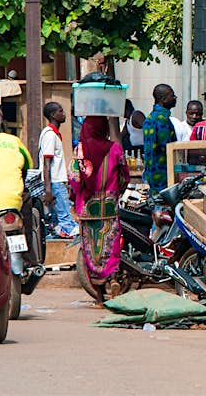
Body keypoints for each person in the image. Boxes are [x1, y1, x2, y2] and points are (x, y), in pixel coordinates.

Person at [73, 116, 130, 302]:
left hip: (88, 208)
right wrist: (116, 192)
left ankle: (99, 296)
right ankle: (112, 278)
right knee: (110, 246)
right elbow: (125, 176)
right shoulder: (115, 148)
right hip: (109, 207)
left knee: (91, 249)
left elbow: (74, 179)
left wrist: (77, 197)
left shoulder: (80, 150)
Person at [40, 101, 79, 239]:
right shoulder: (50, 135)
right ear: (53, 115)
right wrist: (48, 188)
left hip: (56, 182)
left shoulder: (53, 134)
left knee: (59, 219)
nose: (64, 114)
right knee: (65, 220)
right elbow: (46, 162)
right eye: (61, 111)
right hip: (55, 182)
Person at [144, 84, 177, 190]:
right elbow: (167, 147)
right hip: (162, 174)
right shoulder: (162, 119)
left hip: (150, 173)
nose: (175, 98)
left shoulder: (149, 117)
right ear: (164, 99)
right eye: (172, 96)